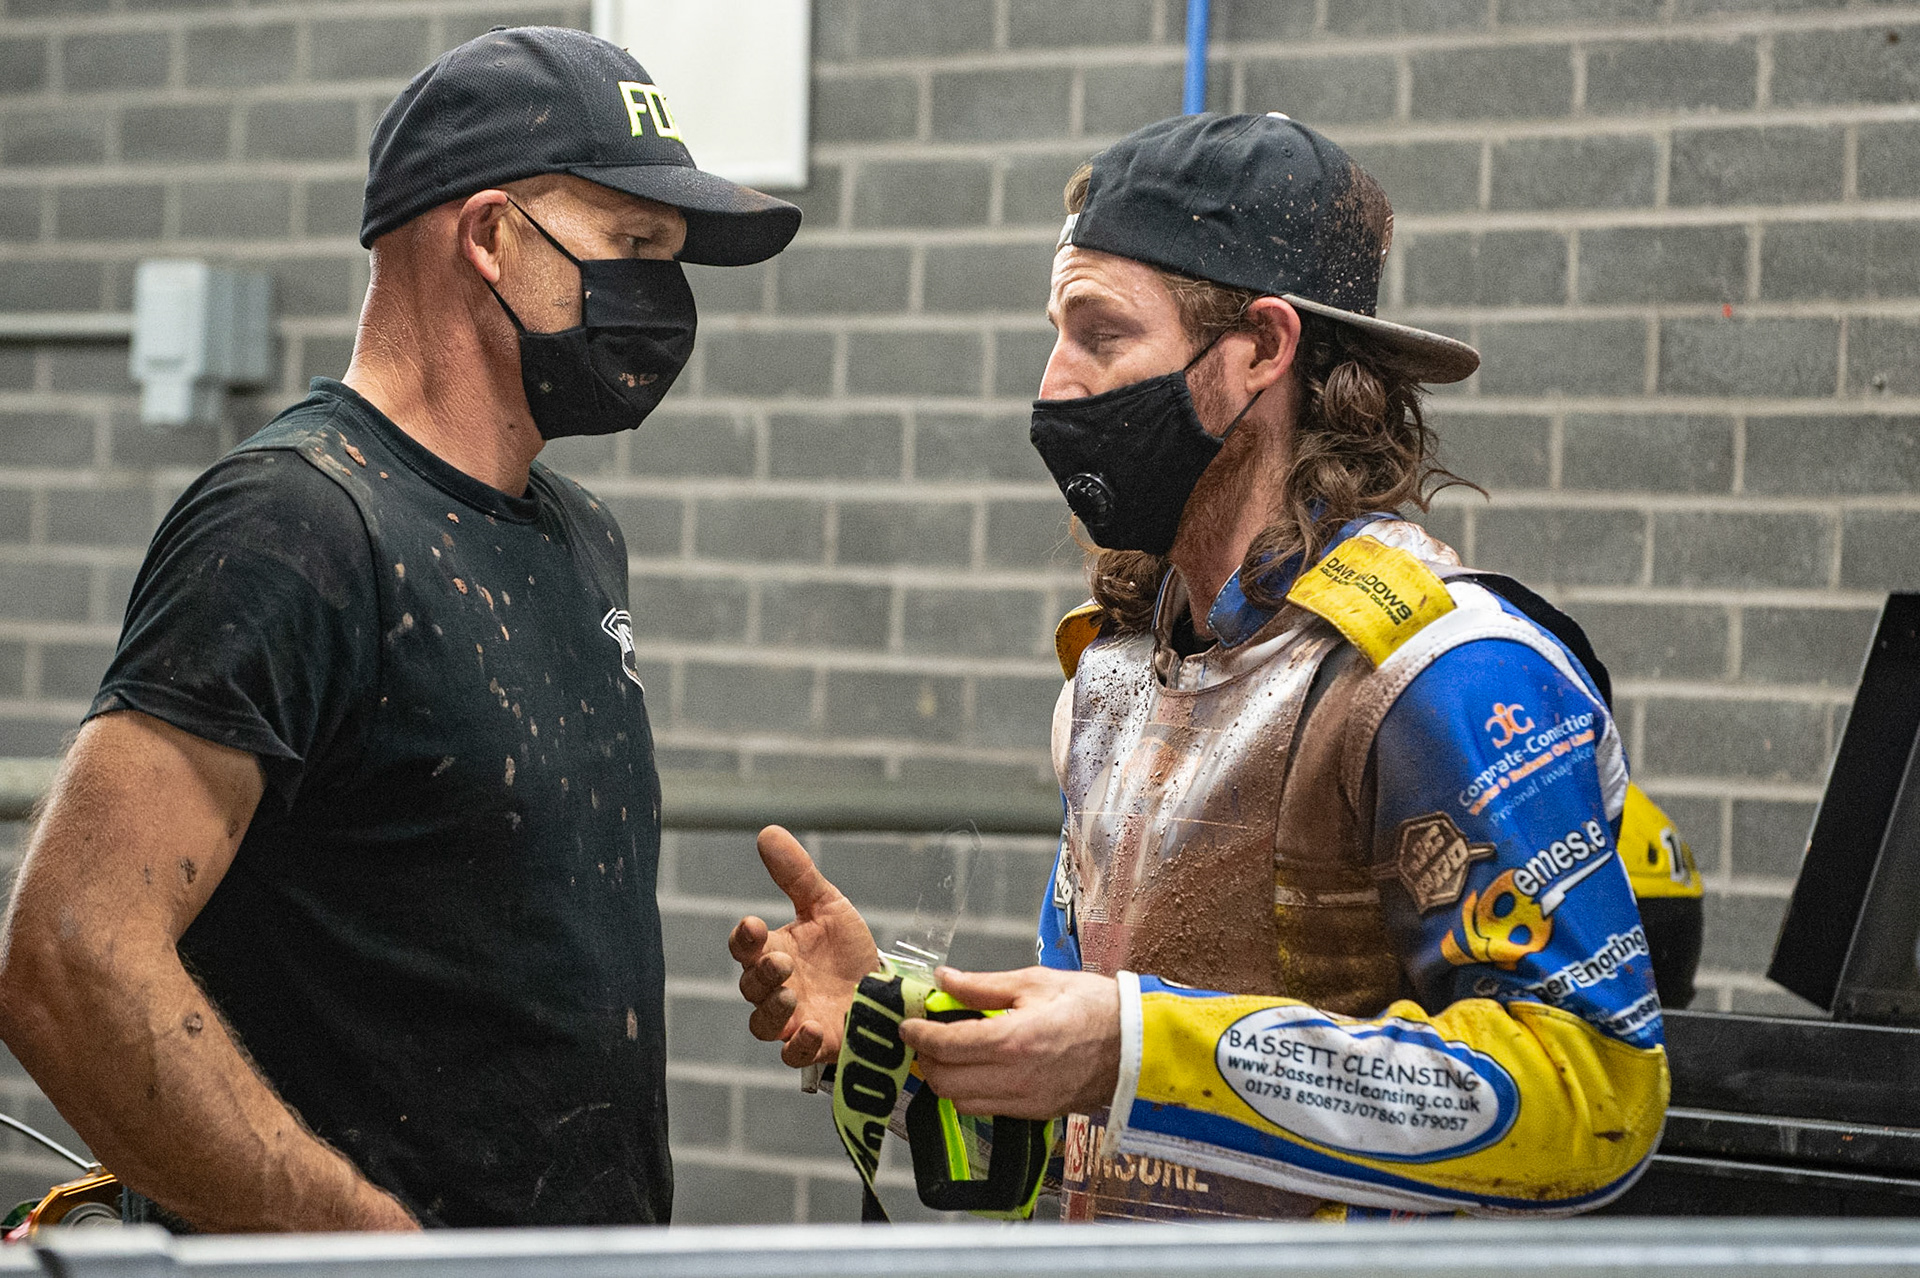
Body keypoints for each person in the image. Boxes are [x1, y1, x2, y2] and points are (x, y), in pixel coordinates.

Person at [730, 113, 1671, 1221]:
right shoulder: (1117, 670)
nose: (1054, 384)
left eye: (1101, 333)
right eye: (1056, 332)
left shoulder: (1443, 673)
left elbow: (1601, 1094)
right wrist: (908, 1032)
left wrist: (1132, 1048)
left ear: (1264, 350)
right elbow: (1102, 1120)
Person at [0, 27, 797, 1232]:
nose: (661, 297)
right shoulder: (294, 523)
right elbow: (70, 953)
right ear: (486, 236)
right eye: (630, 245)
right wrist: (359, 1245)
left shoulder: (580, 538)